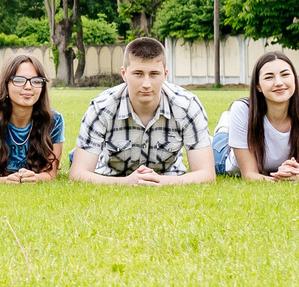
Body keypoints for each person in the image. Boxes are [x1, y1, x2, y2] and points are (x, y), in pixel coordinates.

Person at [70, 38, 214, 186]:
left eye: (154, 74)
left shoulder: (187, 106)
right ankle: (82, 151)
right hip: (111, 171)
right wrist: (126, 182)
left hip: (169, 172)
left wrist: (163, 181)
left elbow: (207, 174)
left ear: (165, 75)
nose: (146, 84)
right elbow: (78, 174)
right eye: (138, 74)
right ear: (124, 74)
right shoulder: (101, 107)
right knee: (78, 156)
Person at [213, 51, 299, 183]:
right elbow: (249, 175)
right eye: (269, 77)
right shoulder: (242, 109)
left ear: (294, 78)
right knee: (218, 145)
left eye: (285, 75)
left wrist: (293, 175)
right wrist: (280, 180)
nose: (278, 82)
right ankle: (225, 126)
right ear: (258, 86)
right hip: (225, 156)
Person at [0, 52, 64, 182]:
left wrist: (35, 178)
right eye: (19, 80)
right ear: (6, 84)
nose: (28, 87)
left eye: (36, 81)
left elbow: (50, 174)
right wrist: (7, 181)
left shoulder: (54, 120)